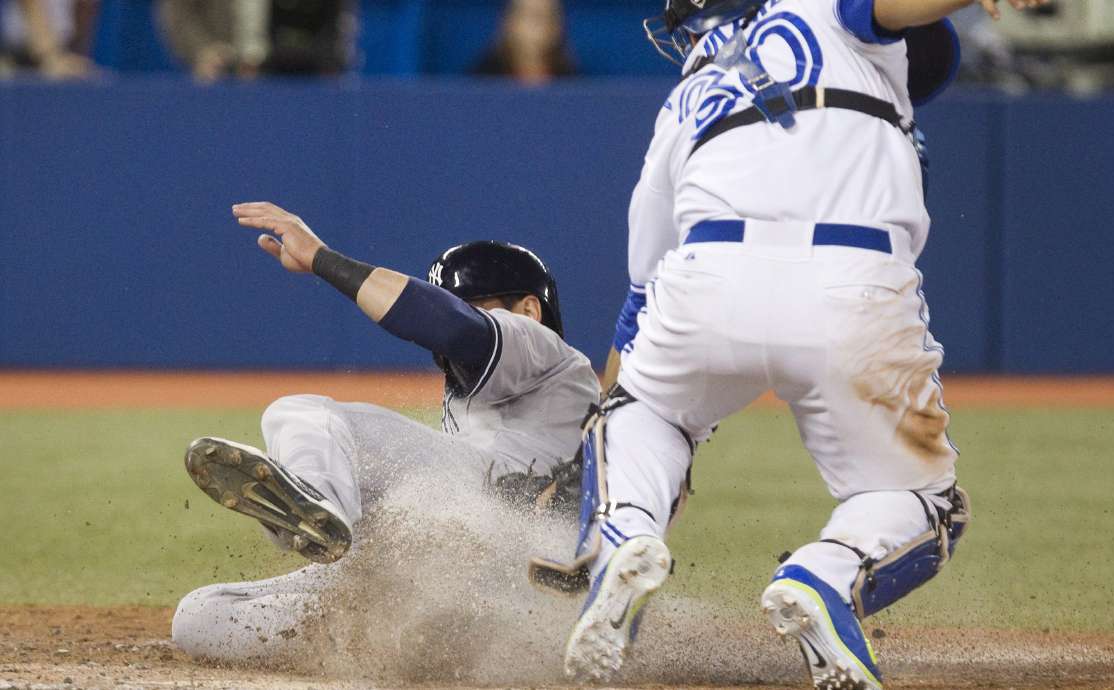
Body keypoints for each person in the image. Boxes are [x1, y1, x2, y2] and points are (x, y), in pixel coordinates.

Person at [550, 1, 1044, 688]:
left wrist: (613, 460)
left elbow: (637, 308)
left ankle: (622, 536)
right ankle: (824, 579)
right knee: (924, 501)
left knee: (645, 412)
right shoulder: (828, 13)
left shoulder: (682, 104)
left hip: (706, 277)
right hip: (853, 285)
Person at [171, 201, 599, 661]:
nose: (456, 313)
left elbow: (449, 327)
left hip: (501, 545)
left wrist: (320, 258)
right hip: (480, 582)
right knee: (200, 615)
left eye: (470, 304)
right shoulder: (495, 395)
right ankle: (387, 638)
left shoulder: (545, 350)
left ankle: (318, 504)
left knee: (299, 413)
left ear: (529, 309)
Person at [471, 0, 576, 84]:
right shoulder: (480, 81)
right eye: (528, 15)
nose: (536, 25)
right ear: (508, 21)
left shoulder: (574, 83)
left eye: (544, 15)